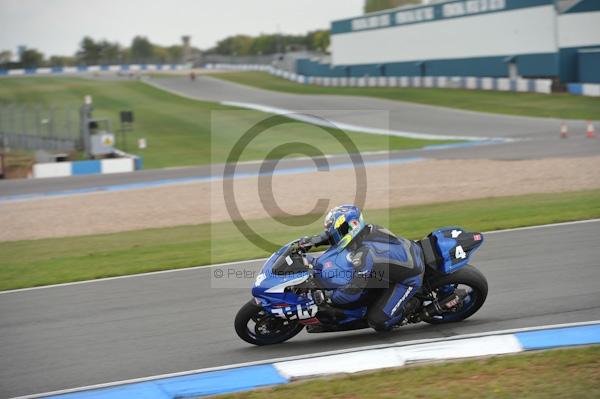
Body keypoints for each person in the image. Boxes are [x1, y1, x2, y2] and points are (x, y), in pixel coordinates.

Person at [298, 205, 424, 331]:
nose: (334, 234)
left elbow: (353, 291)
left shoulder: (364, 254)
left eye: (339, 230)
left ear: (352, 226)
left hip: (409, 277)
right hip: (397, 262)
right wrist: (312, 241)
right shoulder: (363, 232)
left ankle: (409, 306)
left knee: (378, 321)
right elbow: (332, 234)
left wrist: (327, 297)